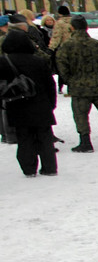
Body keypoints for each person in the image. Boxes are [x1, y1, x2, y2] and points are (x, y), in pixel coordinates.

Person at [55, 15, 98, 152]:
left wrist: (70, 80)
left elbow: (62, 67)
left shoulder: (66, 46)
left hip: (78, 88)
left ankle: (85, 143)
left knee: (81, 115)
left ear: (72, 27)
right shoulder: (97, 44)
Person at [0, 29, 57, 177]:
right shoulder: (39, 61)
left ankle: (29, 168)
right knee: (45, 137)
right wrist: (51, 104)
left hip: (17, 105)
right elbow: (50, 84)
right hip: (41, 104)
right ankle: (49, 168)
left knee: (24, 138)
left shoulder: (3, 62)